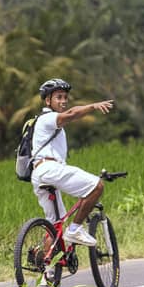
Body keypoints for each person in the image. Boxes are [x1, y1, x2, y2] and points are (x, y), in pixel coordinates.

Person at [28, 77, 114, 246]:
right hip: (49, 168)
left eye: (65, 97)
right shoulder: (48, 118)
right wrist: (93, 106)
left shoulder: (47, 123)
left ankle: (48, 268)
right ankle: (74, 230)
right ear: (47, 101)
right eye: (58, 97)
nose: (63, 101)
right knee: (96, 186)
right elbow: (71, 114)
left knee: (55, 224)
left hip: (39, 173)